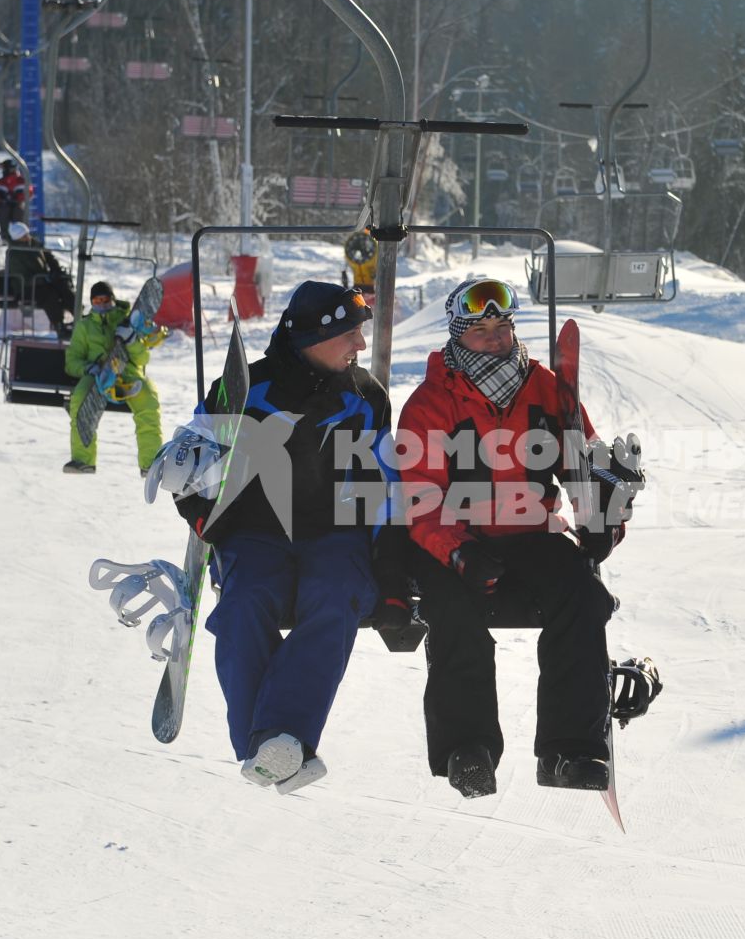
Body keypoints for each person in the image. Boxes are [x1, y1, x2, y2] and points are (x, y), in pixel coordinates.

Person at [394, 278, 640, 800]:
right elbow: (419, 497)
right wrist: (457, 552)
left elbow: (585, 461)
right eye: (481, 331)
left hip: (533, 532)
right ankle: (469, 749)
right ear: (460, 336)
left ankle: (569, 749)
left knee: (580, 593)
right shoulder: (431, 403)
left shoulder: (546, 388)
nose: (495, 339)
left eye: (502, 328)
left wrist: (604, 521)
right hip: (459, 537)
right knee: (453, 612)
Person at [148, 282, 398, 793]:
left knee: (334, 597)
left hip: (336, 532)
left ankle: (273, 742)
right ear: (315, 334)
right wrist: (201, 515)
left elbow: (382, 481)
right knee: (244, 606)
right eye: (351, 333)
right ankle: (278, 744)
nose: (360, 346)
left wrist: (392, 563)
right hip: (255, 532)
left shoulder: (366, 396)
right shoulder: (245, 389)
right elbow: (191, 467)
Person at [63, 280, 162, 477]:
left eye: (105, 299)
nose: (101, 304)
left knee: (148, 401)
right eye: (97, 300)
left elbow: (143, 357)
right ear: (91, 302)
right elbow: (72, 361)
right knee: (80, 399)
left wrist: (132, 340)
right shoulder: (85, 326)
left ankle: (150, 463)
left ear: (113, 300)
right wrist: (87, 367)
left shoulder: (127, 321)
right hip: (98, 374)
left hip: (128, 372)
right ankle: (83, 460)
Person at [4, 221, 76, 333]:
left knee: (63, 285)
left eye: (27, 234)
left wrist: (55, 269)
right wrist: (44, 278)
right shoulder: (14, 253)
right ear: (17, 238)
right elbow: (22, 277)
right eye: (24, 236)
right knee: (50, 295)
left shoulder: (33, 244)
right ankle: (59, 325)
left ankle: (78, 316)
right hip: (26, 287)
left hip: (41, 281)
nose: (28, 237)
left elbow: (48, 256)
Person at [0, 159, 29, 242]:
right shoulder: (1, 182)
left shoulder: (21, 181)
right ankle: (5, 236)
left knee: (18, 211)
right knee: (3, 210)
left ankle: (19, 236)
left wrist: (19, 199)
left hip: (17, 205)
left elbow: (28, 192)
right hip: (4, 206)